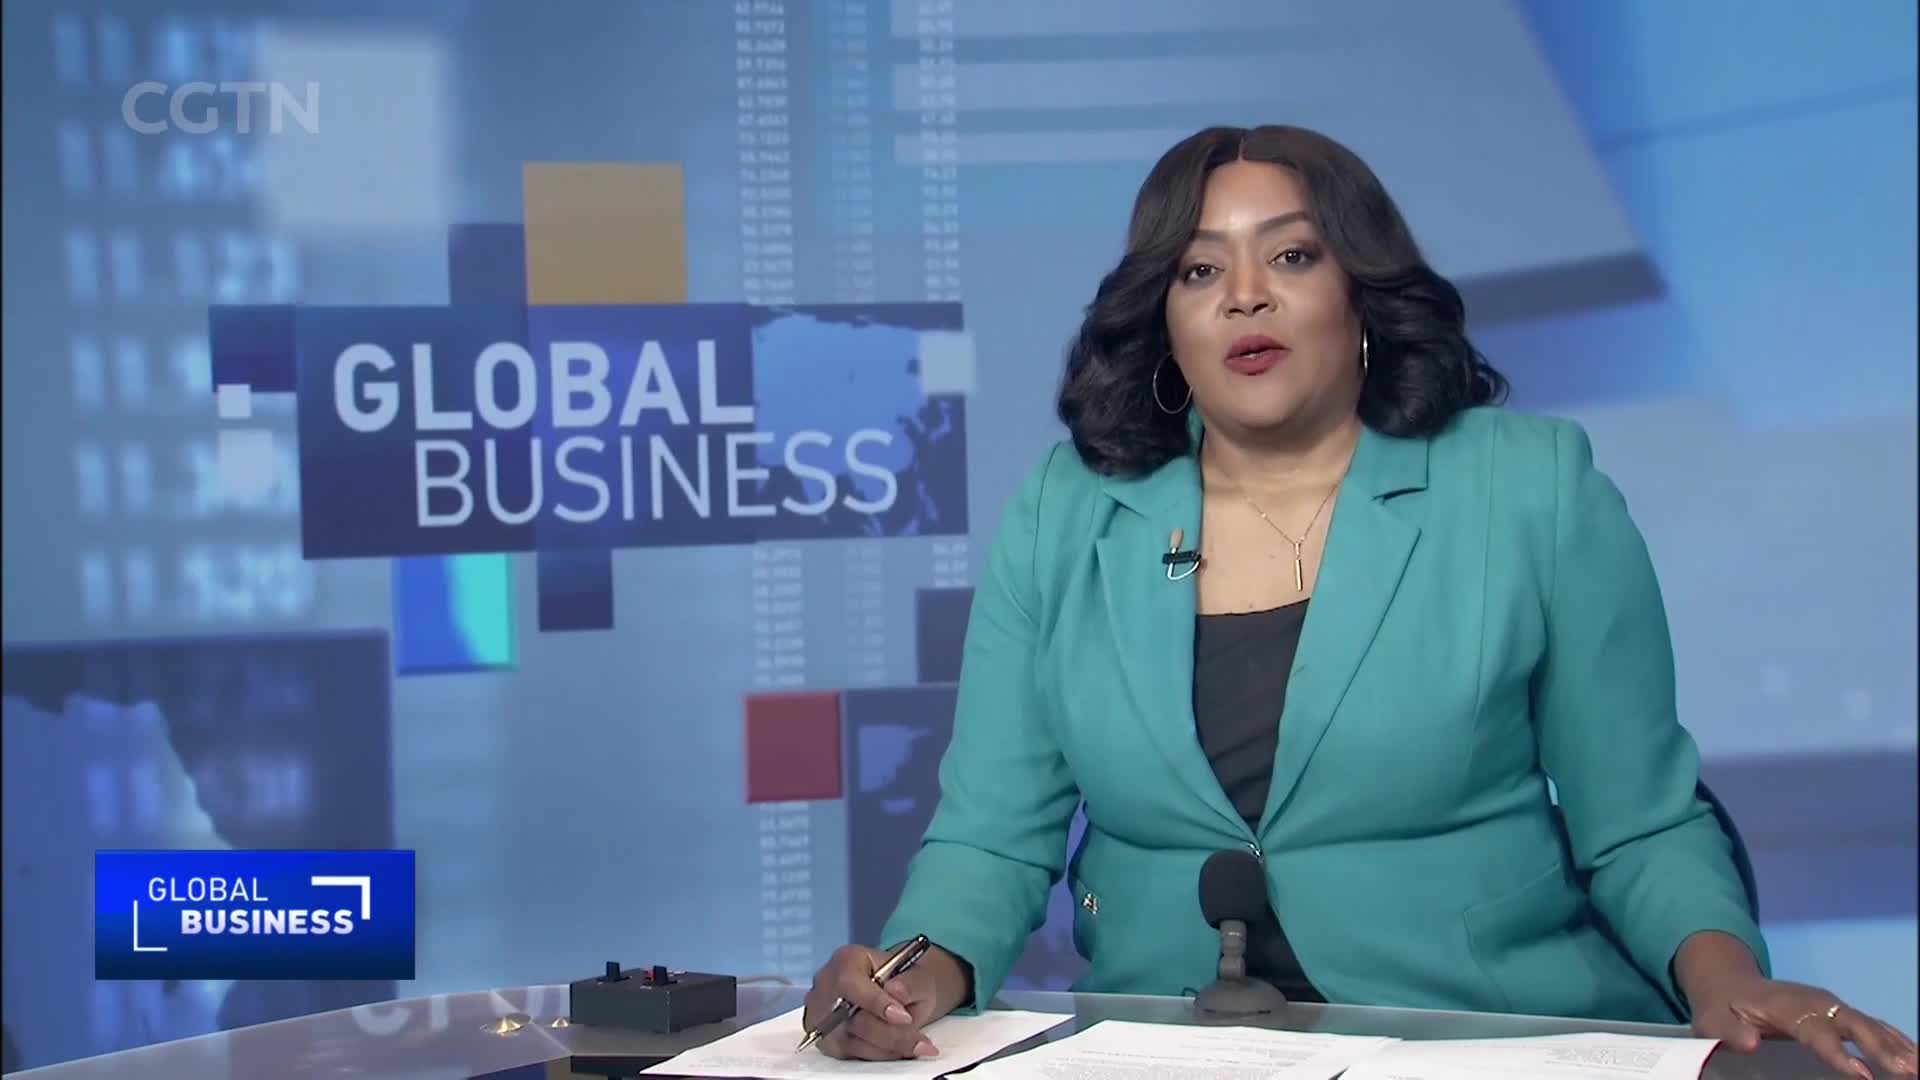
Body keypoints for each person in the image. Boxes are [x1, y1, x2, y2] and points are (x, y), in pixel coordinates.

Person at [802, 125, 1918, 1079]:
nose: (1245, 294)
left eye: (1290, 254)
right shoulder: (1070, 511)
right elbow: (994, 834)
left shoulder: (1529, 489)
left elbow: (1642, 821)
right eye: (1199, 271)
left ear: (1363, 295)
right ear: (1165, 325)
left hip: (1484, 1043)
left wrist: (1728, 983)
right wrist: (908, 980)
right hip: (1170, 1048)